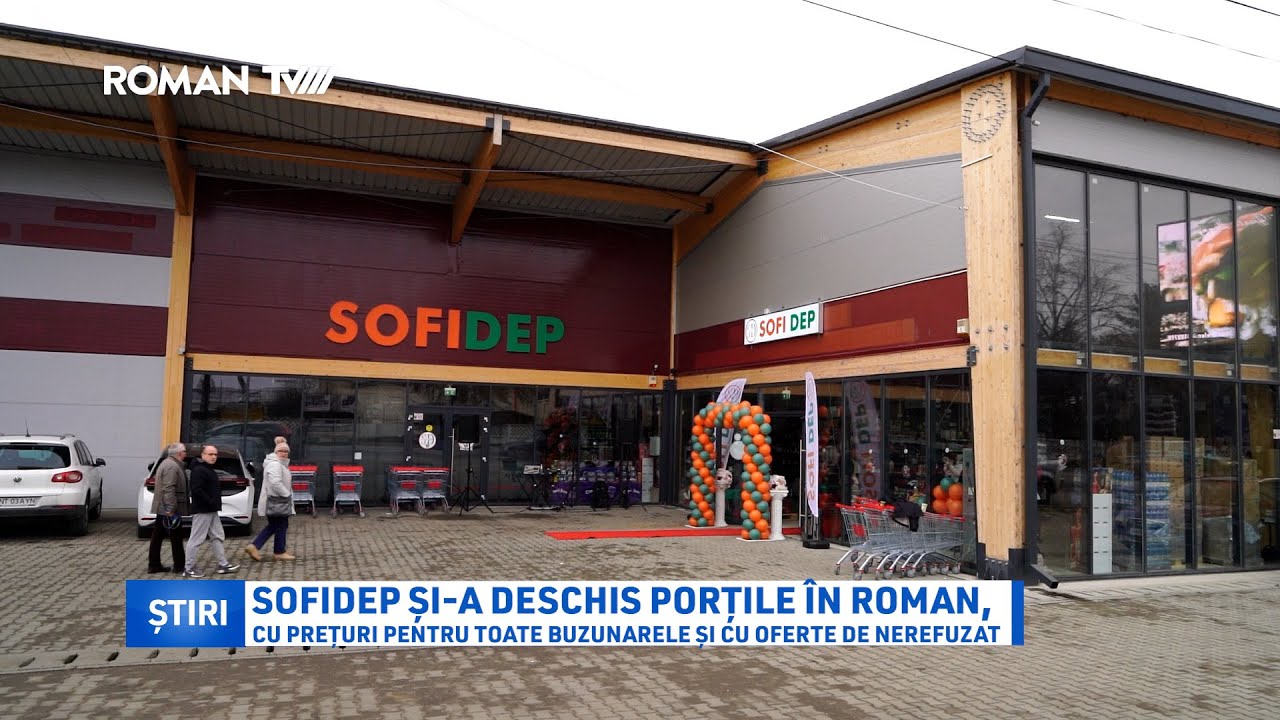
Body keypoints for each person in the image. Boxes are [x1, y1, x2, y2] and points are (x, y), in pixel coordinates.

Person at [182, 445, 240, 578]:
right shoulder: (199, 470)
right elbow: (197, 489)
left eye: (215, 454)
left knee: (217, 535)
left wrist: (212, 503)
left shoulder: (207, 469)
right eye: (210, 454)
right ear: (203, 455)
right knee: (196, 538)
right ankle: (188, 568)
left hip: (211, 509)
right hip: (203, 509)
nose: (213, 457)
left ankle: (223, 564)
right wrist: (210, 501)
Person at [245, 441, 295, 561]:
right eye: (281, 451)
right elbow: (275, 483)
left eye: (286, 451)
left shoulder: (279, 464)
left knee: (280, 525)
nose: (284, 453)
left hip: (278, 500)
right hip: (277, 501)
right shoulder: (275, 465)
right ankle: (257, 546)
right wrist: (286, 494)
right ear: (276, 452)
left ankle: (279, 550)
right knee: (277, 525)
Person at [147, 442, 189, 573]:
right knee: (176, 537)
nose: (186, 454)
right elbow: (168, 488)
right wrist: (170, 509)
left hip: (164, 507)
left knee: (158, 536)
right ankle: (179, 566)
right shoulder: (171, 466)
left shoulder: (168, 463)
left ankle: (154, 564)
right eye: (184, 451)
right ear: (179, 453)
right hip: (168, 509)